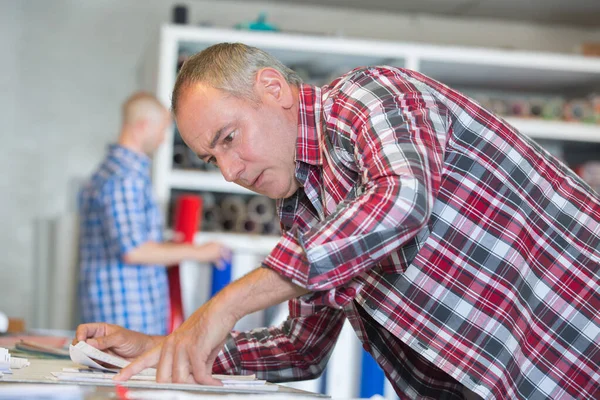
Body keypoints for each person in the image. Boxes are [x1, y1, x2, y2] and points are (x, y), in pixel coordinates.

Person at [75, 45, 600, 399]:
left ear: (273, 89)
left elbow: (399, 203)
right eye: (214, 160)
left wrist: (226, 303)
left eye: (229, 139)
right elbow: (300, 349)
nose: (231, 172)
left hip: (576, 349)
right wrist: (169, 347)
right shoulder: (302, 209)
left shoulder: (368, 96)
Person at [78, 92, 230, 336]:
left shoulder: (113, 173)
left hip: (122, 313)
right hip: (127, 315)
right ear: (142, 126)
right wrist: (200, 252)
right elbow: (133, 250)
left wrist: (171, 247)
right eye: (162, 129)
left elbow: (128, 241)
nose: (162, 138)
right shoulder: (125, 179)